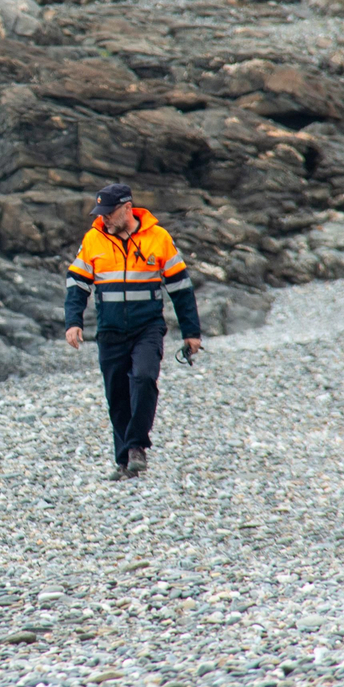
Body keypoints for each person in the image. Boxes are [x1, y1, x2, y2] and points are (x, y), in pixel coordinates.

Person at [63, 183, 201, 480]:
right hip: (110, 331)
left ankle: (137, 445)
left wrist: (192, 332)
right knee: (117, 396)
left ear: (127, 208)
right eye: (101, 213)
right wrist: (73, 322)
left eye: (109, 212)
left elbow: (181, 288)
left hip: (147, 328)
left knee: (144, 377)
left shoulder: (159, 238)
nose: (105, 219)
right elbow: (76, 284)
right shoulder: (93, 239)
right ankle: (124, 462)